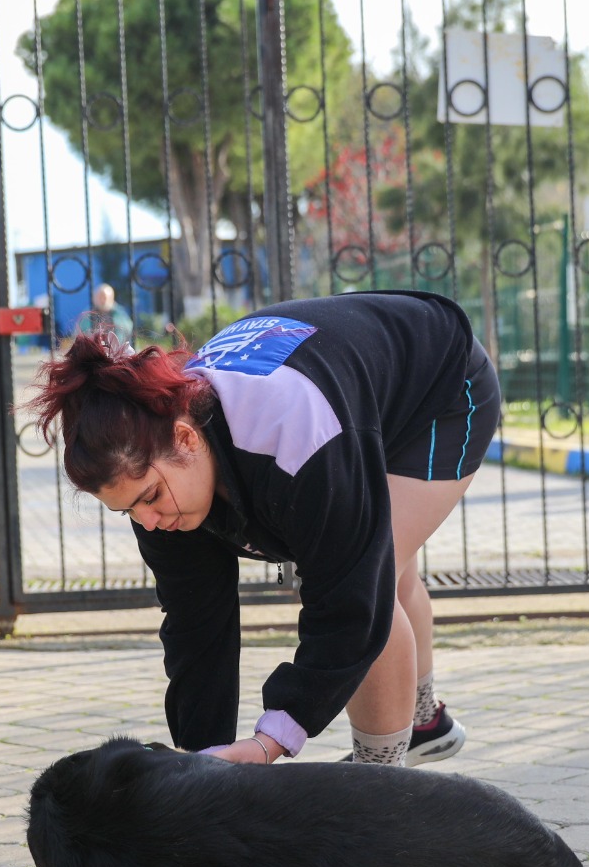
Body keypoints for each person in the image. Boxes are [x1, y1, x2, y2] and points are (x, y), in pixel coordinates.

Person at [28, 290, 499, 768]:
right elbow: (197, 625)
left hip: (439, 385)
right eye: (126, 511)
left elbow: (352, 609)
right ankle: (425, 723)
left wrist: (269, 742)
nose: (147, 521)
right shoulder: (155, 475)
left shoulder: (296, 438)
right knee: (380, 561)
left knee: (374, 576)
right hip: (355, 392)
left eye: (148, 498)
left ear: (186, 438)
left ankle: (381, 780)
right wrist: (201, 764)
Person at [91, 283, 134, 347]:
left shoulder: (119, 314)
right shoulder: (89, 315)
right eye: (100, 297)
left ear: (111, 298)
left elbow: (127, 329)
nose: (102, 300)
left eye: (104, 297)